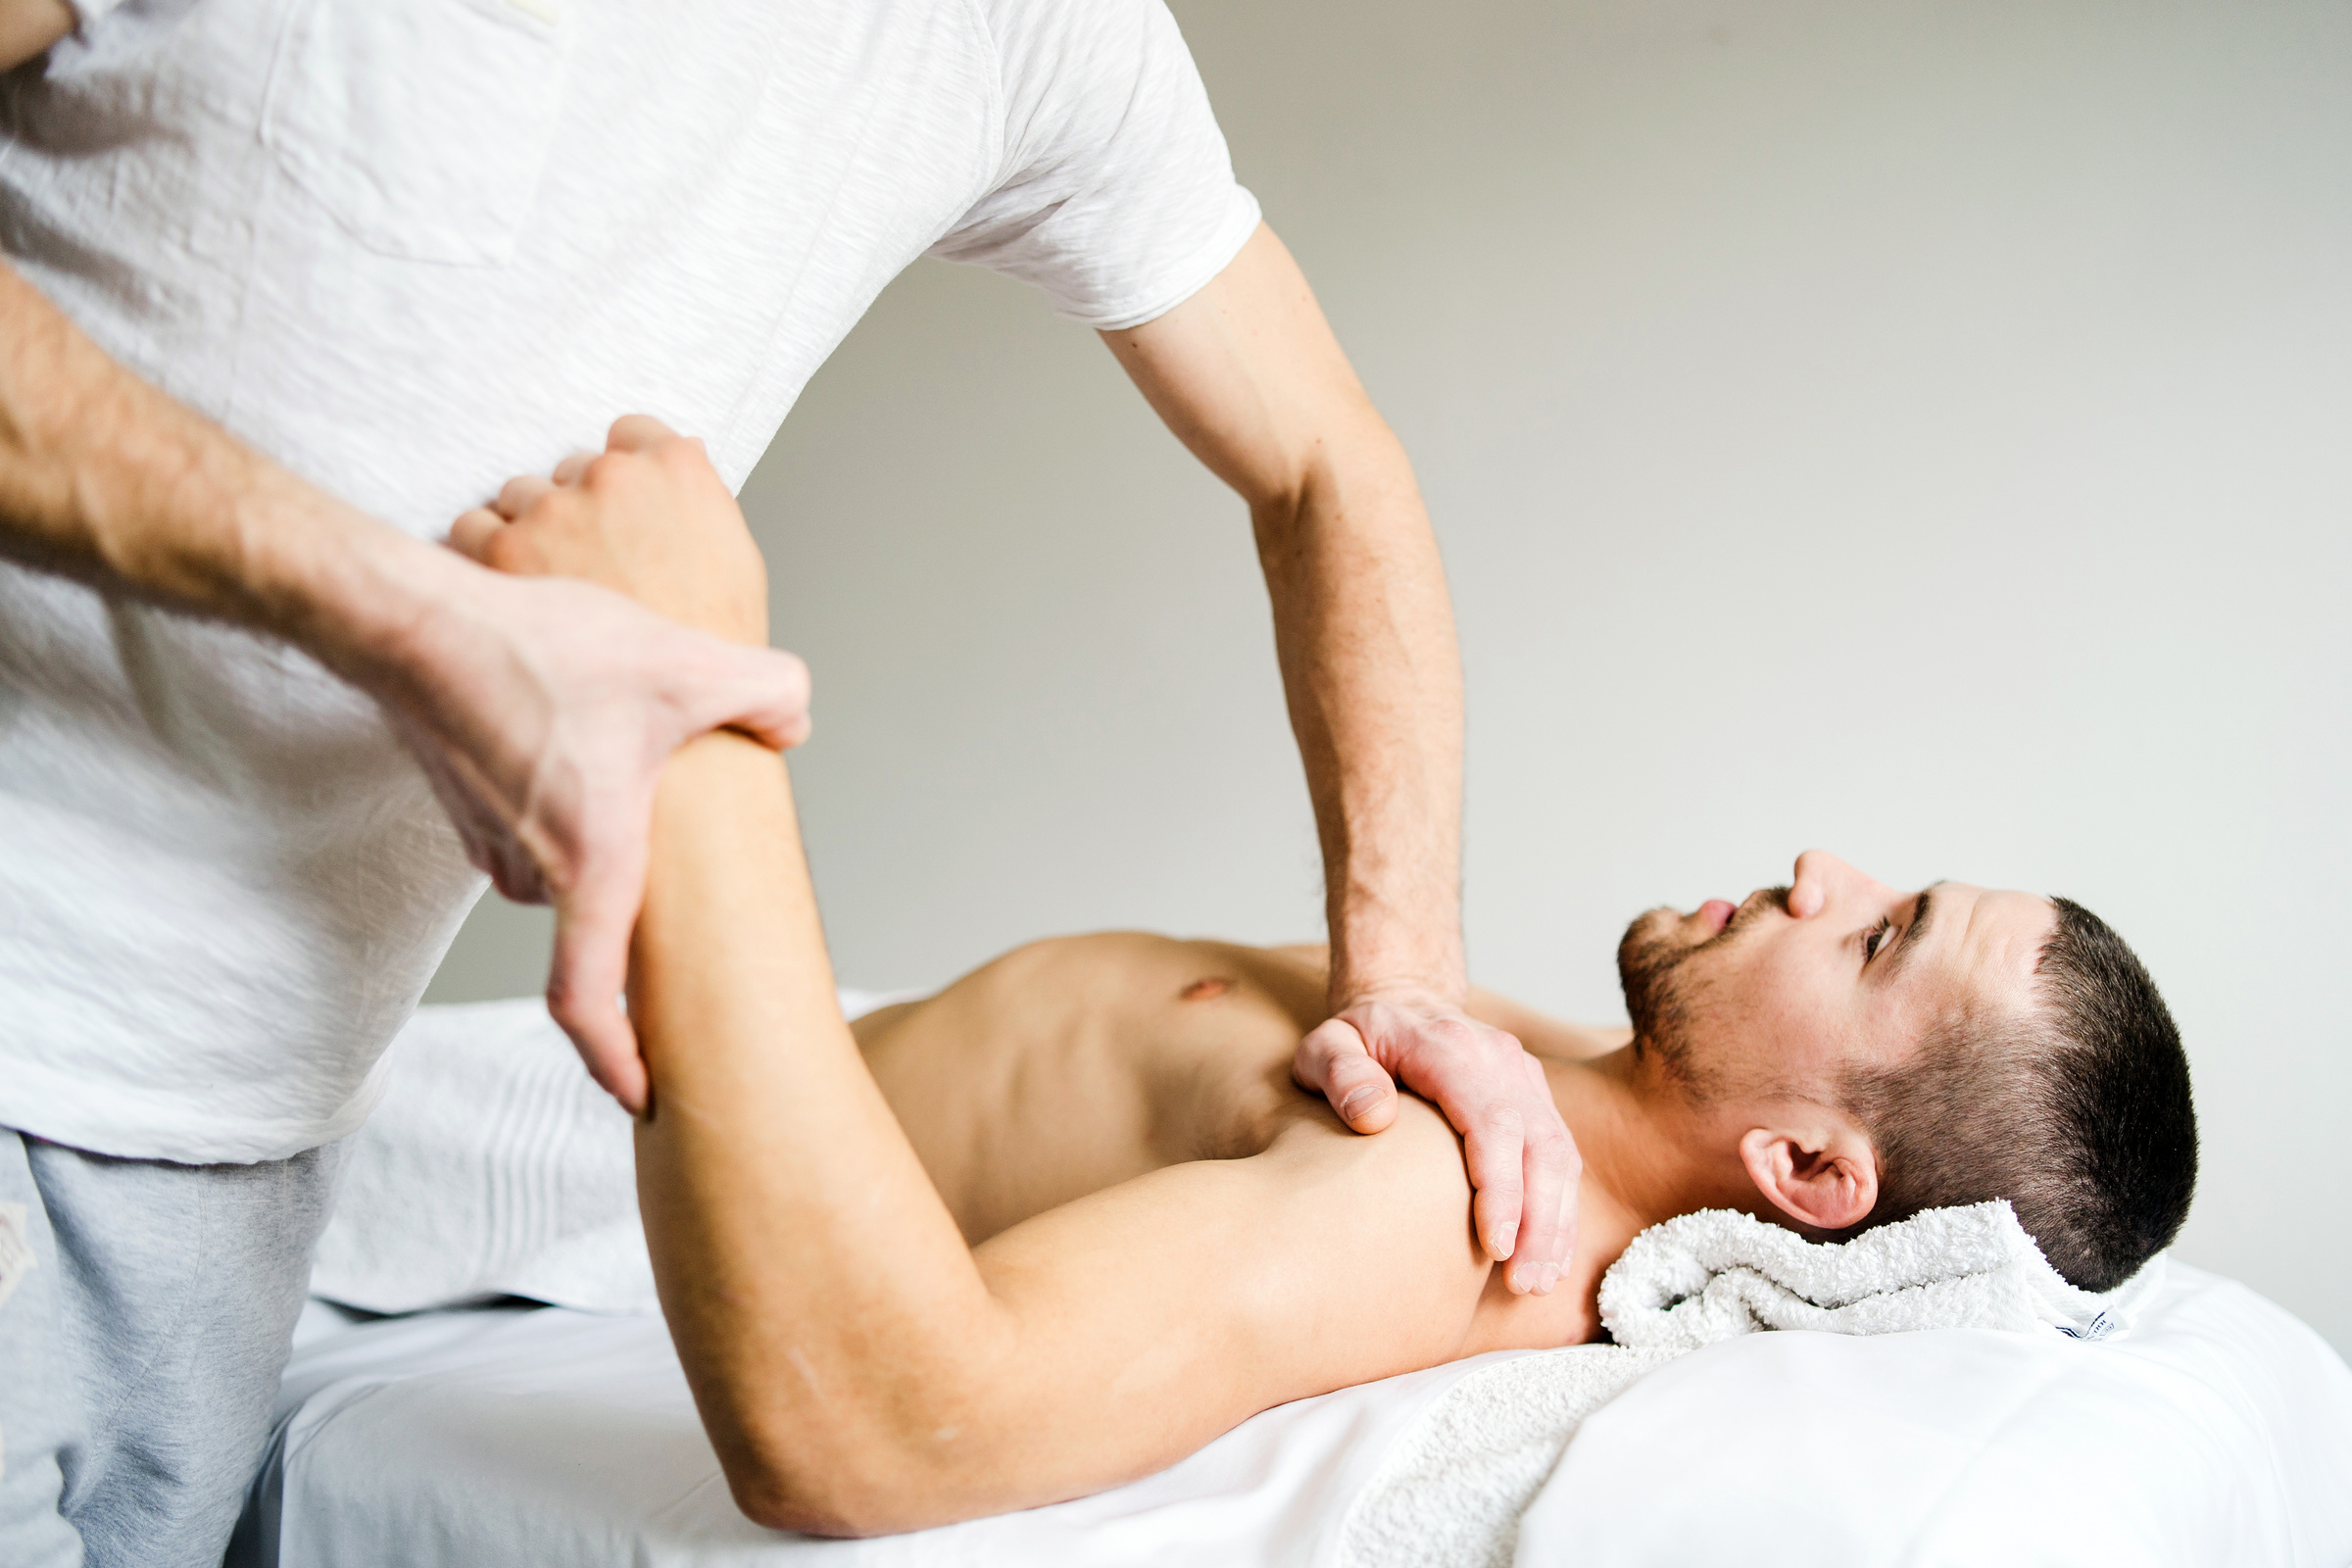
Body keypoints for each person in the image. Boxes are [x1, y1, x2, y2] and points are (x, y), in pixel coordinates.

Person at [0, 2, 1570, 1560]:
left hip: (249, 1150)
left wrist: (1409, 975)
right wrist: (414, 623)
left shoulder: (1036, 32)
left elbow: (1326, 464)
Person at [459, 425, 2199, 1535]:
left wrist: (681, 702)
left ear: (1811, 1173)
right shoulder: (1538, 1086)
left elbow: (856, 1439)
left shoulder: (1443, 1205)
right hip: (671, 1092)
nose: (1828, 871)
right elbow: (1322, 462)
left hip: (650, 1161)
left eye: (1881, 936)